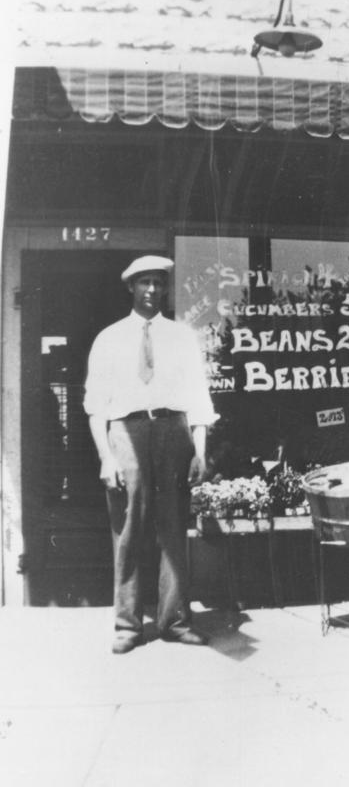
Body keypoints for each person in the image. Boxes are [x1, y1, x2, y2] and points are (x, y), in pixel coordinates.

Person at [84, 256, 217, 653]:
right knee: (127, 528)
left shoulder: (181, 337)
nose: (152, 290)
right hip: (127, 432)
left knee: (173, 526)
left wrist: (199, 452)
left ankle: (175, 621)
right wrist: (106, 457)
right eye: (145, 282)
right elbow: (96, 406)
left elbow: (198, 396)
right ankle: (127, 625)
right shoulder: (109, 338)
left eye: (159, 283)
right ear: (131, 286)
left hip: (173, 431)